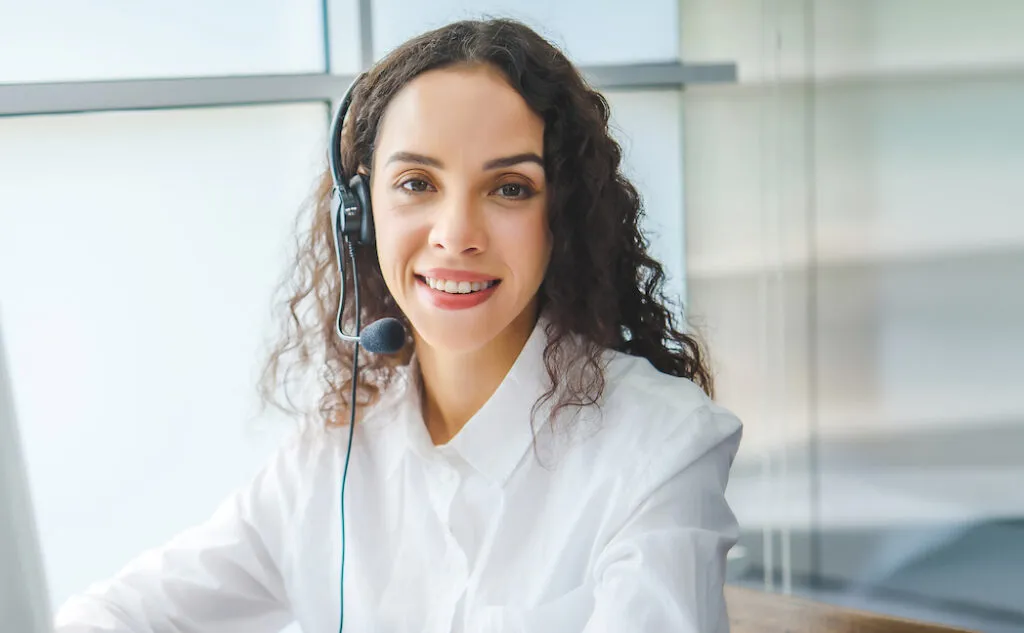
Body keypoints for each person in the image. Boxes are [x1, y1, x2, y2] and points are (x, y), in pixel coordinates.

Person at [55, 17, 742, 633]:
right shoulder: (332, 458)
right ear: (360, 211)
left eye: (510, 188)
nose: (456, 234)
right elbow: (112, 613)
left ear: (560, 214)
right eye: (417, 182)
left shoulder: (660, 447)